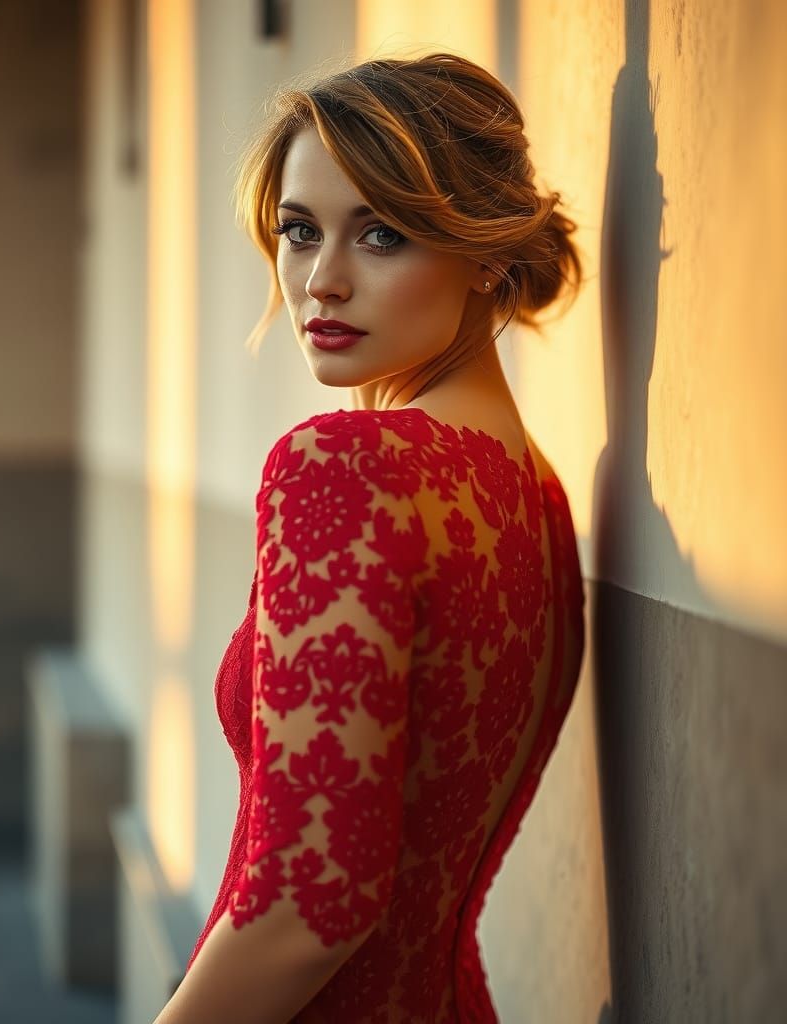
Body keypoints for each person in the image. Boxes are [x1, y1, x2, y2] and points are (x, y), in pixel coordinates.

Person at [154, 51, 586, 1024]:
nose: (322, 280)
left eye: (382, 233)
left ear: (484, 252)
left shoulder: (346, 466)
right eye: (299, 232)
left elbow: (309, 908)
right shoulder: (535, 493)